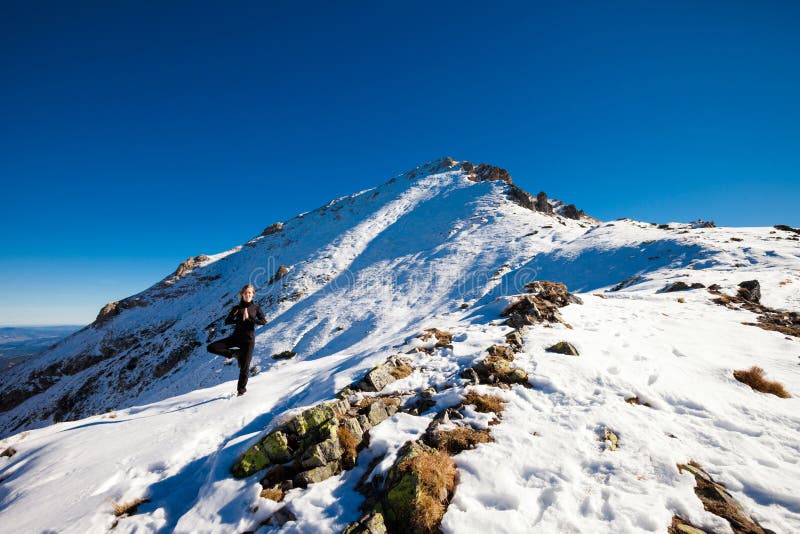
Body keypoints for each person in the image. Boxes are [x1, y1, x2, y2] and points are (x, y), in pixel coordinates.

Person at [207, 284, 266, 396]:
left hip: (248, 341)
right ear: (242, 295)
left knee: (244, 368)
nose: (247, 295)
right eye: (245, 293)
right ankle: (234, 354)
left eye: (249, 293)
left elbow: (263, 322)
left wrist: (250, 319)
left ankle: (241, 392)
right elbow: (227, 321)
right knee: (211, 347)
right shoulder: (236, 308)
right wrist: (239, 320)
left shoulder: (256, 308)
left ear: (253, 294)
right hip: (235, 338)